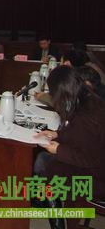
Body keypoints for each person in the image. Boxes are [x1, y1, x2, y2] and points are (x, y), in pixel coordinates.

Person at [34, 66, 105, 228]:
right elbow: (77, 134)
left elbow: (88, 158)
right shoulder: (89, 100)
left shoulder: (86, 118)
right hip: (97, 166)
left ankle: (60, 224)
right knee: (50, 166)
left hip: (98, 177)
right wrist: (56, 134)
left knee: (50, 174)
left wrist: (58, 149)